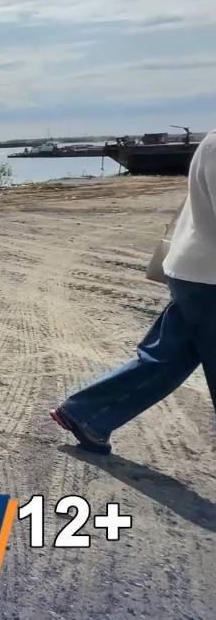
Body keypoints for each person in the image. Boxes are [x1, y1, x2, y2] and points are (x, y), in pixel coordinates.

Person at [51, 130, 216, 453]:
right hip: (208, 277)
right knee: (166, 357)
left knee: (166, 358)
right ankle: (87, 413)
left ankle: (87, 413)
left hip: (194, 271)